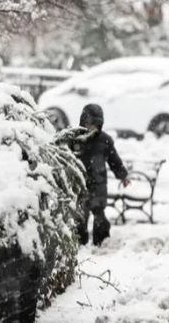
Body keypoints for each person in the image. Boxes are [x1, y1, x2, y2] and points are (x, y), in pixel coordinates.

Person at [72, 104, 129, 246]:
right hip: (80, 184)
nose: (92, 128)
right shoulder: (74, 138)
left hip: (99, 184)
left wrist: (122, 175)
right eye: (89, 124)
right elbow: (64, 159)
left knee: (99, 215)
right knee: (80, 215)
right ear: (83, 121)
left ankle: (101, 241)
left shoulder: (105, 140)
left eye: (96, 124)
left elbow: (114, 160)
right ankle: (79, 242)